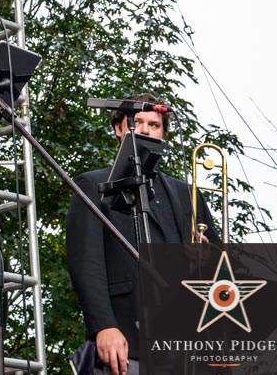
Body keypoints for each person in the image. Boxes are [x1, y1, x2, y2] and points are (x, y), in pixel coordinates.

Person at [65, 93, 220, 375]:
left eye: (154, 124)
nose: (146, 130)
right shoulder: (93, 184)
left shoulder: (187, 194)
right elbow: (86, 263)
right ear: (118, 128)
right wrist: (104, 326)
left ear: (163, 133)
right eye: (137, 122)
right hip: (126, 338)